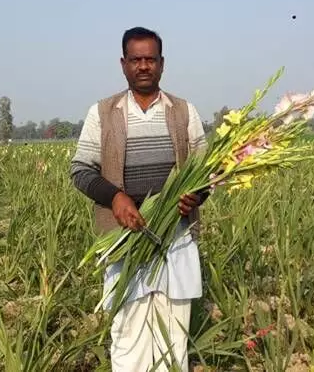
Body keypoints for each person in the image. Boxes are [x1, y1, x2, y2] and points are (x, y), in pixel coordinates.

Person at [70, 26, 210, 371]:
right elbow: (81, 170)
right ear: (123, 64)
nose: (144, 66)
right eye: (136, 59)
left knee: (172, 334)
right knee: (128, 331)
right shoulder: (103, 113)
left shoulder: (183, 112)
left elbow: (207, 172)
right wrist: (115, 197)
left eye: (151, 59)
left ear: (162, 64)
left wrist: (195, 196)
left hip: (174, 238)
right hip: (124, 239)